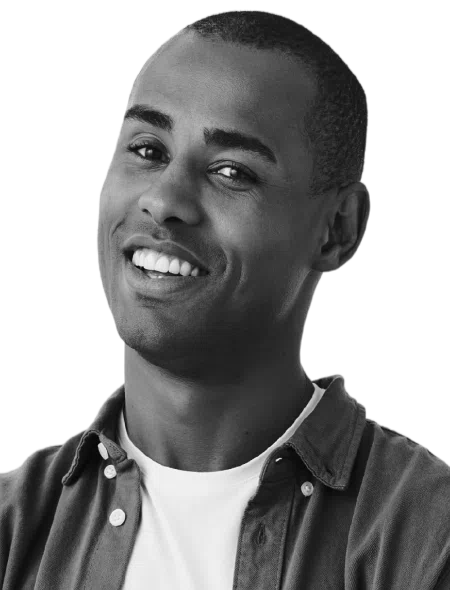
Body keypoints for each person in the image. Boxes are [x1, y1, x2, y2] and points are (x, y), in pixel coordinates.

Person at [1, 9, 449, 590]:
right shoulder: (13, 529)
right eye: (148, 149)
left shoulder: (426, 537)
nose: (164, 200)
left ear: (337, 229)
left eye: (232, 171)